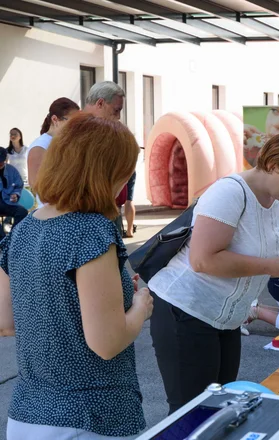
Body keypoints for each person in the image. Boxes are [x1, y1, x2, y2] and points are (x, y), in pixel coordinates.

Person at [147, 131, 279, 414]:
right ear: (275, 165)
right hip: (185, 310)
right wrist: (272, 266)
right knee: (189, 413)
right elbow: (203, 260)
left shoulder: (275, 203)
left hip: (226, 319)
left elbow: (261, 257)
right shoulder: (229, 192)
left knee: (218, 409)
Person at [0, 113, 151, 439]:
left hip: (27, 417)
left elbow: (7, 321)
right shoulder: (91, 231)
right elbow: (107, 343)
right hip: (91, 419)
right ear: (108, 172)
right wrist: (140, 306)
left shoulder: (22, 229)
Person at [83, 81, 136, 237]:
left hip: (103, 212)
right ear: (100, 103)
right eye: (116, 110)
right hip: (88, 215)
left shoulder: (110, 132)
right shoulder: (76, 132)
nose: (118, 117)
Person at [27, 97, 80, 190]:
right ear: (55, 119)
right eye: (72, 122)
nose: (75, 126)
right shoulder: (40, 146)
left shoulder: (68, 142)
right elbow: (36, 184)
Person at [0, 148, 27, 234]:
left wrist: (15, 194)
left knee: (22, 211)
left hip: (7, 203)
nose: (0, 163)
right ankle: (3, 241)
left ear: (6, 159)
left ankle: (13, 237)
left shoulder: (12, 170)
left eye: (2, 161)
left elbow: (19, 186)